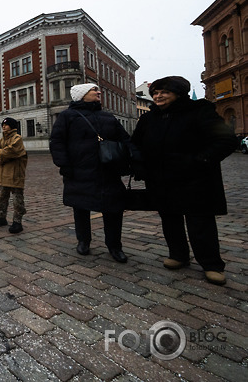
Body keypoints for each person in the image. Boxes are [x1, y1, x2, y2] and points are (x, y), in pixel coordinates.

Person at [131, 76, 235, 285]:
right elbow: (135, 145)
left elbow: (226, 140)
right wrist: (140, 165)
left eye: (164, 92)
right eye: (156, 93)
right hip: (161, 179)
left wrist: (200, 160)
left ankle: (211, 264)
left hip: (195, 179)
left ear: (178, 93)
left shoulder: (199, 111)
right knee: (170, 219)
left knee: (200, 223)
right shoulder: (148, 119)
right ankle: (178, 255)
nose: (158, 96)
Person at [49, 83, 131, 263]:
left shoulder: (108, 116)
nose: (99, 92)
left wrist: (127, 162)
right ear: (82, 95)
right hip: (79, 172)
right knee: (81, 208)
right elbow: (57, 142)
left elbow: (125, 140)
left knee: (114, 210)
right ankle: (83, 241)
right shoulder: (67, 116)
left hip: (108, 172)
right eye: (94, 90)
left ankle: (114, 246)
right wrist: (64, 165)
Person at [0, 117, 28, 233]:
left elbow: (11, 151)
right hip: (4, 174)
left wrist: (0, 153)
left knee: (17, 199)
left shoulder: (17, 138)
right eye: (3, 125)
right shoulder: (1, 140)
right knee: (2, 198)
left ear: (12, 126)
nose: (4, 127)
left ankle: (17, 222)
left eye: (6, 125)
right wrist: (0, 157)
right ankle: (1, 217)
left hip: (15, 174)